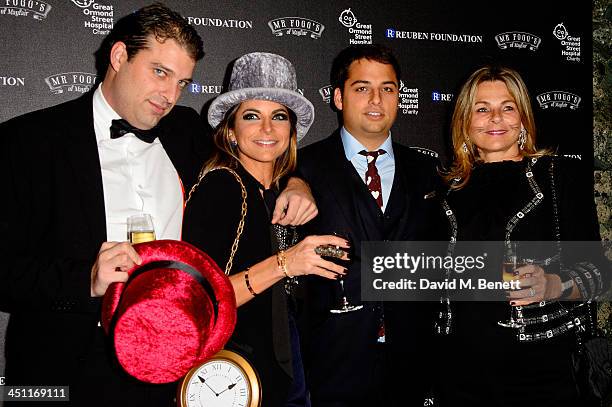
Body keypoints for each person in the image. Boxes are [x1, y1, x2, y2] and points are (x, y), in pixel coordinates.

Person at [0, 4, 315, 406]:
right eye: (159, 72)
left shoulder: (186, 131)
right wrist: (87, 280)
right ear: (118, 57)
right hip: (63, 367)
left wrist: (298, 182)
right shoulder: (27, 142)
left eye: (182, 82)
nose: (169, 94)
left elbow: (260, 142)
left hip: (173, 370)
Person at [182, 52, 349, 407]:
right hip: (233, 377)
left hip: (285, 365)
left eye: (279, 117)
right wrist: (287, 263)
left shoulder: (277, 192)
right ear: (231, 129)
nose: (268, 129)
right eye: (252, 116)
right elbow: (203, 300)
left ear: (291, 130)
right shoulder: (221, 187)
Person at [436, 65, 607, 407]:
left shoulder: (558, 177)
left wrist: (554, 285)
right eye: (482, 109)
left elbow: (601, 273)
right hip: (459, 375)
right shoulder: (444, 191)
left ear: (524, 120)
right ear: (465, 122)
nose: (495, 118)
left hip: (542, 375)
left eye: (508, 107)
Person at [297, 44, 441, 406]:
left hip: (412, 364)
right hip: (330, 364)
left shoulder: (433, 173)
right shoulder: (300, 167)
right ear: (338, 97)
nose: (376, 99)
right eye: (362, 88)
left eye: (388, 89)